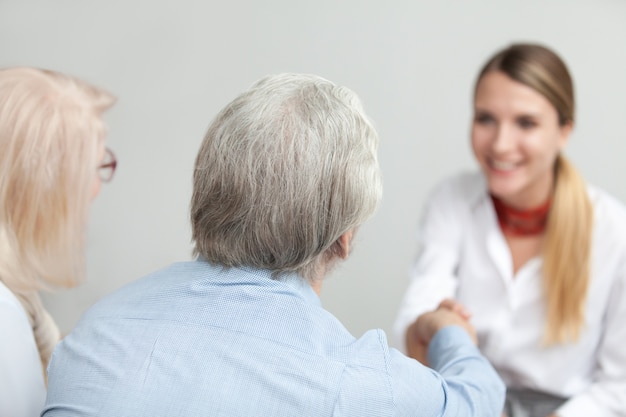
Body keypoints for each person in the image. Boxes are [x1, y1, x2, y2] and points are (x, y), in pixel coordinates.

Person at [43, 73, 505, 416]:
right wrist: (449, 332)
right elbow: (477, 400)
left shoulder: (96, 331)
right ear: (344, 238)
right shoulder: (355, 383)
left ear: (208, 192)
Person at [394, 43, 626, 417]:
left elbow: (619, 387)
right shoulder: (450, 200)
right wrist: (430, 323)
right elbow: (415, 319)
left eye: (526, 123)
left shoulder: (614, 231)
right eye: (485, 118)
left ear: (564, 131)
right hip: (465, 401)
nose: (500, 144)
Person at [0, 67, 116, 417]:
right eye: (95, 169)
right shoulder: (5, 325)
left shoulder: (18, 300)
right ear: (45, 188)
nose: (97, 189)